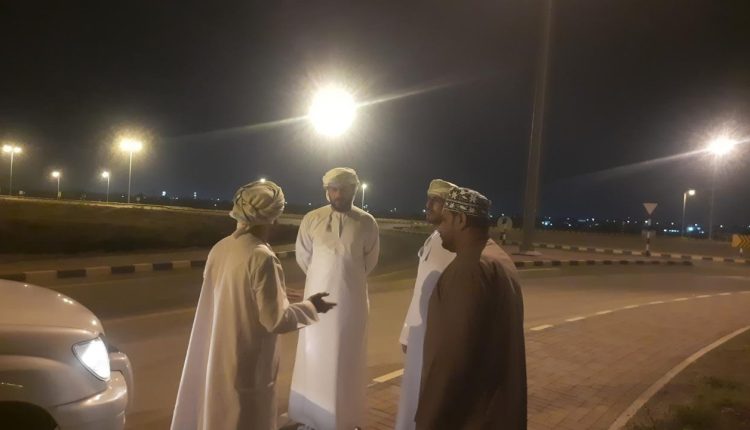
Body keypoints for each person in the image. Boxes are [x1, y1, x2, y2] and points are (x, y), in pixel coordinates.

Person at [170, 181, 335, 430]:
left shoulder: (221, 247)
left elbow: (236, 296)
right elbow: (275, 320)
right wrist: (311, 306)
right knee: (245, 418)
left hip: (218, 356)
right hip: (246, 363)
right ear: (273, 218)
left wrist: (280, 295)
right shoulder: (261, 256)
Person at [416, 186, 527, 430]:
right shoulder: (497, 257)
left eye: (444, 220)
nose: (439, 228)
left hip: (469, 415)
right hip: (495, 410)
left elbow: (452, 357)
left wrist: (428, 417)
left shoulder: (470, 268)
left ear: (461, 220)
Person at [289, 167, 380, 430]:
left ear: (354, 190)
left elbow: (369, 261)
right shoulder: (312, 219)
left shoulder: (366, 222)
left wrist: (344, 279)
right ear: (327, 191)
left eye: (344, 189)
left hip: (351, 303)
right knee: (314, 356)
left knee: (347, 359)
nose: (338, 195)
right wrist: (323, 278)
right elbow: (304, 257)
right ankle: (312, 420)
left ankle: (345, 420)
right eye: (333, 189)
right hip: (316, 302)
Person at [394, 179, 457, 430]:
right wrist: (407, 332)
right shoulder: (435, 237)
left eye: (436, 201)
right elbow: (419, 290)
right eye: (428, 199)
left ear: (450, 207)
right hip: (418, 333)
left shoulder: (454, 245)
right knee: (412, 393)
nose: (428, 205)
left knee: (429, 396)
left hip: (436, 338)